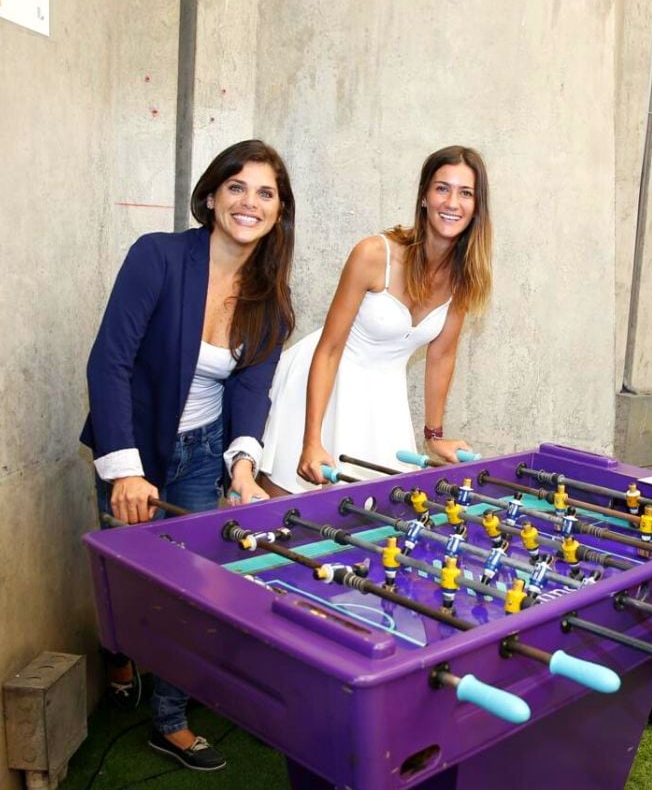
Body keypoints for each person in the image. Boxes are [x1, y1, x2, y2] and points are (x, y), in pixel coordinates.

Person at [81, 139, 297, 771]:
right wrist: (125, 469)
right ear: (212, 194)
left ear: (279, 211)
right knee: (127, 582)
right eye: (237, 187)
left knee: (193, 591)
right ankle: (118, 651)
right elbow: (109, 361)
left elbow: (251, 390)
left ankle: (169, 719)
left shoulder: (272, 300)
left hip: (202, 452)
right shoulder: (158, 256)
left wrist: (243, 468)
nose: (249, 203)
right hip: (133, 442)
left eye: (265, 193)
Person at [260, 145, 492, 493]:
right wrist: (312, 439)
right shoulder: (374, 254)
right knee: (286, 507)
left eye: (465, 193)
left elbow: (442, 356)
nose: (452, 202)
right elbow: (330, 349)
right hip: (322, 385)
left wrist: (434, 436)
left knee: (374, 511)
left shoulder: (464, 277)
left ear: (476, 206)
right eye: (442, 188)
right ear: (424, 196)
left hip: (384, 400)